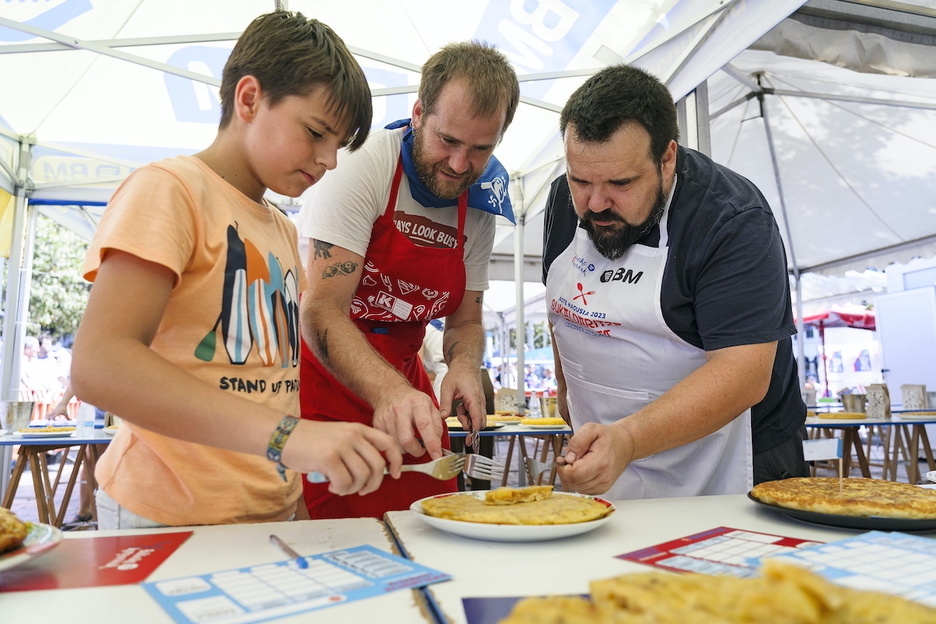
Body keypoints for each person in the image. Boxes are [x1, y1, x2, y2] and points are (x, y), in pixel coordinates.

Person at [69, 11, 402, 529]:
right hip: (167, 513)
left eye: (337, 145)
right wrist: (290, 437)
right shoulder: (171, 190)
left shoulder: (282, 229)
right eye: (316, 133)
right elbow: (99, 365)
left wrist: (291, 491)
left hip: (267, 510)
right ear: (248, 99)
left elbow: (272, 383)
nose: (329, 161)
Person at [544, 65, 809, 500]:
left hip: (730, 462)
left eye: (621, 183)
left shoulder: (731, 219)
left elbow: (743, 374)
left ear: (667, 158)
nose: (595, 203)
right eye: (580, 181)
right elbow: (562, 308)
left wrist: (628, 439)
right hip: (605, 459)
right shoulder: (562, 201)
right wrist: (565, 388)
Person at [297, 40, 520, 518]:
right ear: (418, 113)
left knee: (430, 521)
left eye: (481, 149)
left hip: (407, 380)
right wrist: (390, 393)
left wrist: (462, 366)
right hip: (325, 377)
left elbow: (464, 322)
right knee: (336, 531)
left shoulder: (481, 204)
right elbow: (319, 310)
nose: (460, 165)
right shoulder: (361, 166)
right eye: (448, 141)